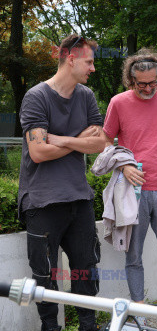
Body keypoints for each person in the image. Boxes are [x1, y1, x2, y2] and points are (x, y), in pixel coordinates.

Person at [18, 34, 105, 331]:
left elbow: (101, 145)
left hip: (79, 198)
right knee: (45, 275)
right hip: (42, 200)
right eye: (89, 61)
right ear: (71, 59)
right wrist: (80, 141)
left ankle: (87, 326)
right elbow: (39, 152)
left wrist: (67, 139)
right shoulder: (36, 97)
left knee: (86, 270)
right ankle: (50, 328)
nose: (93, 68)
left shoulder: (86, 96)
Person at [103, 48, 157, 329]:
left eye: (154, 82)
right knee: (133, 257)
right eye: (142, 84)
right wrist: (123, 166)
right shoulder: (118, 102)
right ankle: (139, 318)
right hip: (131, 192)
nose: (149, 88)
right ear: (131, 79)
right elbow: (106, 143)